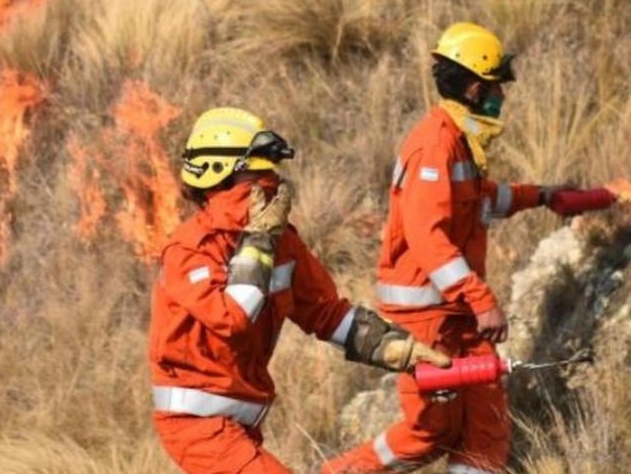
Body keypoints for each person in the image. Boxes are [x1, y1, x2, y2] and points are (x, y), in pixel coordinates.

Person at [321, 23, 589, 474]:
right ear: (472, 86)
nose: (502, 97)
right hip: (426, 320)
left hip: (458, 314)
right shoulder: (434, 146)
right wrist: (482, 300)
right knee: (430, 432)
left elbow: (482, 198)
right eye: (495, 87)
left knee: (487, 426)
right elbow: (430, 239)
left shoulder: (459, 141)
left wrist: (540, 195)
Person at [150, 107, 453, 474]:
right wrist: (259, 242)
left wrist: (404, 352)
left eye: (272, 176)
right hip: (195, 426)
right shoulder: (190, 249)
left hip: (240, 424)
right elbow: (232, 318)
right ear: (218, 179)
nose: (272, 187)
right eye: (258, 177)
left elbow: (328, 315)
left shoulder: (282, 244)